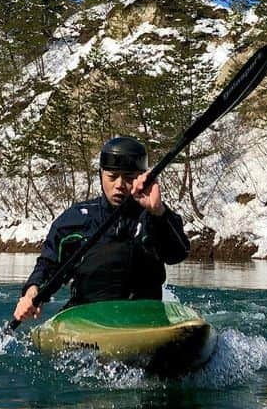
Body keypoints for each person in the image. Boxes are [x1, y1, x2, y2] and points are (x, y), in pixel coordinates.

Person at [12, 136, 190, 323]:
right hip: (87, 318)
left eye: (129, 178)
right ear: (101, 175)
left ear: (142, 178)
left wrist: (158, 212)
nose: (119, 185)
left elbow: (177, 254)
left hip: (143, 317)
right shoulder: (75, 220)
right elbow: (48, 266)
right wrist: (31, 292)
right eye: (112, 177)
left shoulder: (154, 217)